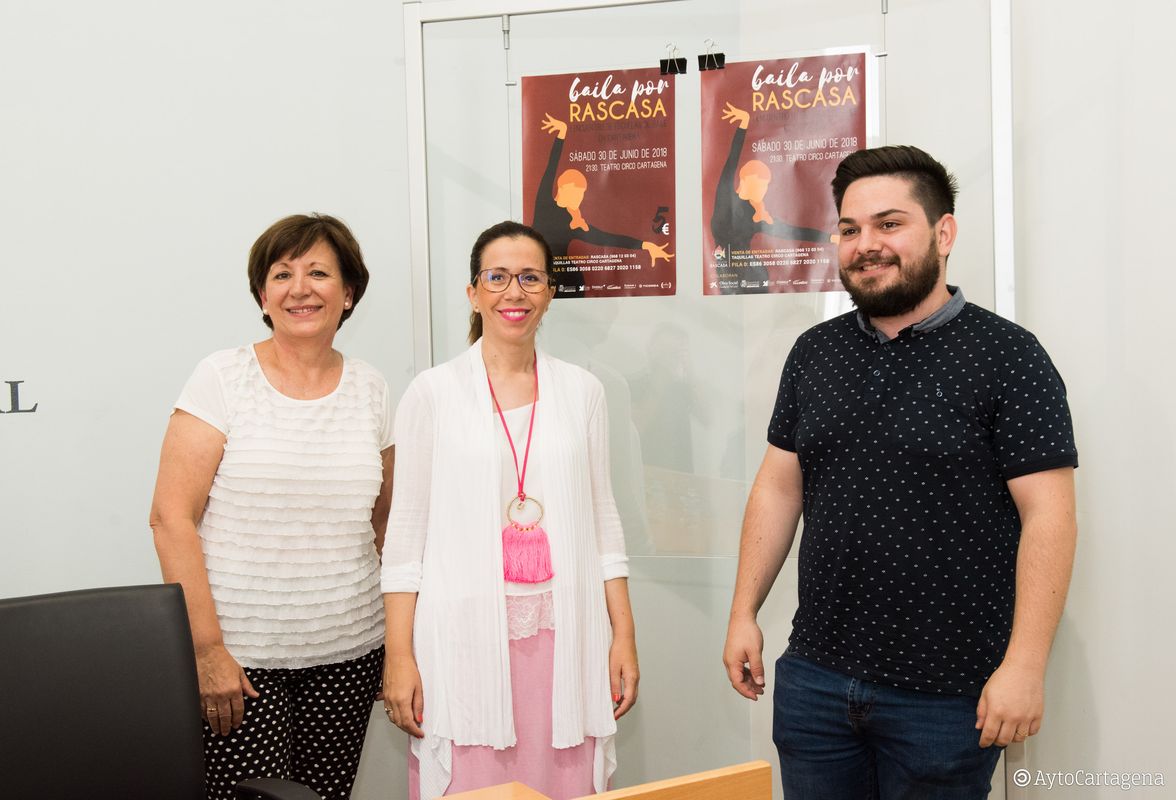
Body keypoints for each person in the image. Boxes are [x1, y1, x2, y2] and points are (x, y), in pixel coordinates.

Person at [722, 146, 1078, 798]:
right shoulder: (815, 353)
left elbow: (1049, 515)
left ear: (943, 233)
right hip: (816, 683)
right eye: (850, 229)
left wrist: (1025, 665)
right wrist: (744, 610)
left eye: (890, 224)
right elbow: (779, 487)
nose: (866, 245)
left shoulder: (1009, 357)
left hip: (946, 698)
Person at [381, 220, 638, 800]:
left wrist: (622, 633)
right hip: (463, 638)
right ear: (473, 292)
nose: (513, 293)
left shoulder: (582, 391)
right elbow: (405, 539)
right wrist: (400, 657)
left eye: (529, 278)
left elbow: (604, 520)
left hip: (567, 636)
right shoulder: (433, 392)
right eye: (496, 277)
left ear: (550, 292)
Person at [149, 213, 394, 800]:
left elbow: (387, 525)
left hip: (351, 651)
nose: (300, 288)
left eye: (318, 272)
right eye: (281, 274)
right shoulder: (223, 377)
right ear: (263, 295)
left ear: (349, 292)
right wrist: (206, 649)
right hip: (240, 661)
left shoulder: (372, 388)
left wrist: (403, 644)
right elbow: (170, 518)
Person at [533, 113, 672, 293]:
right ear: (562, 187)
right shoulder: (545, 202)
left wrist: (646, 246)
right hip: (537, 280)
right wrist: (562, 133)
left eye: (581, 194)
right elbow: (551, 167)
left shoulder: (574, 222)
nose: (579, 199)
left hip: (566, 283)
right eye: (576, 192)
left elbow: (606, 238)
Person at [710, 102, 833, 293]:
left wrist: (831, 237)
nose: (763, 190)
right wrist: (744, 124)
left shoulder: (756, 214)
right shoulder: (726, 196)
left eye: (766, 185)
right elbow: (731, 160)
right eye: (760, 183)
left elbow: (792, 232)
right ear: (746, 178)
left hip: (751, 275)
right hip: (725, 275)